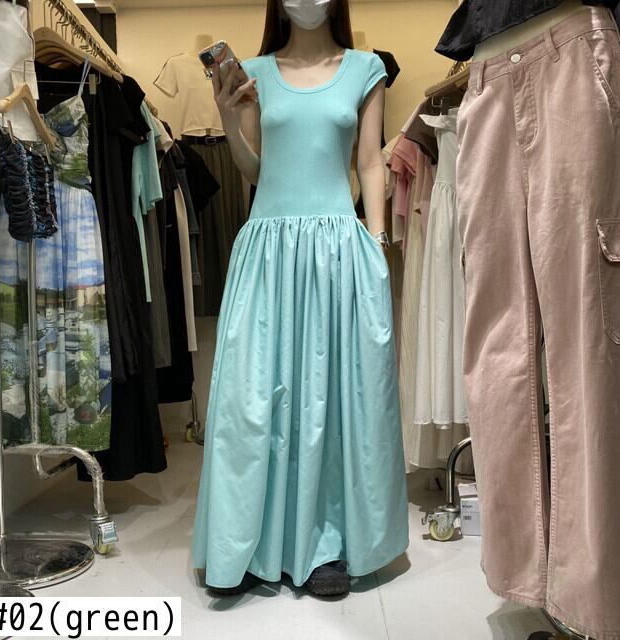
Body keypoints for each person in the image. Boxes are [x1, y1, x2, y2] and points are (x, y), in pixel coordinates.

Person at [192, 0, 408, 598]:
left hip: (338, 249)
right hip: (267, 250)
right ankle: (243, 542)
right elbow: (253, 171)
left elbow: (370, 162)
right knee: (250, 401)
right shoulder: (255, 73)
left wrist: (377, 245)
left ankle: (323, 546)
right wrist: (228, 117)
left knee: (327, 401)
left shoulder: (366, 68)